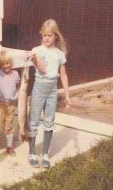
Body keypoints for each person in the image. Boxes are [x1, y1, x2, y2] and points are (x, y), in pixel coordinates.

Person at [26, 19, 71, 169]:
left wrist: (67, 96)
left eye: (50, 35)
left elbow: (63, 75)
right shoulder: (36, 50)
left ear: (56, 36)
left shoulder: (59, 54)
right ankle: (32, 152)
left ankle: (45, 153)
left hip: (52, 88)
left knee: (49, 121)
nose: (47, 38)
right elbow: (43, 70)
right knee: (33, 120)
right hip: (39, 87)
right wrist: (34, 57)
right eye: (44, 35)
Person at [0, 51, 20, 158]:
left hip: (11, 105)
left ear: (11, 63)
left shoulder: (16, 74)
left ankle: (9, 146)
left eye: (7, 63)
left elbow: (17, 85)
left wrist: (17, 95)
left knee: (9, 126)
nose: (5, 66)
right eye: (2, 64)